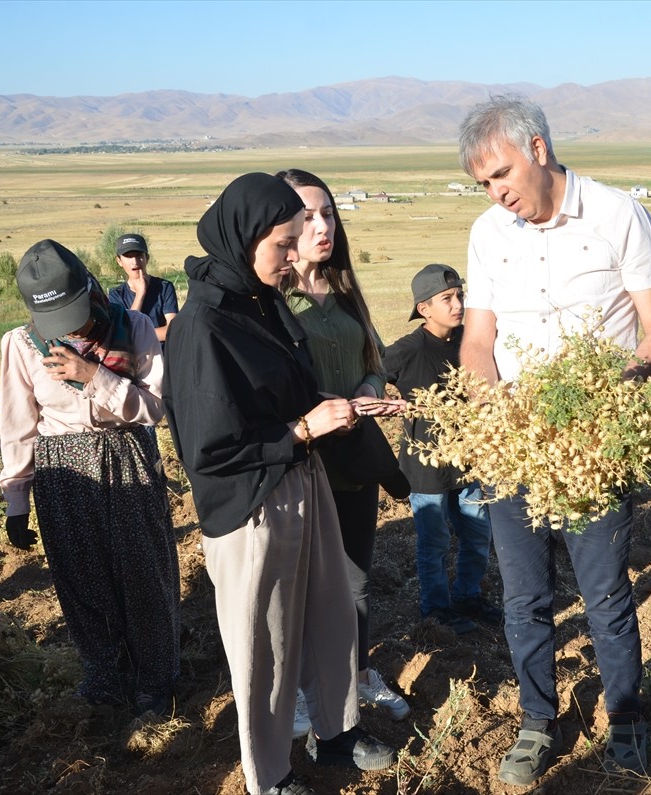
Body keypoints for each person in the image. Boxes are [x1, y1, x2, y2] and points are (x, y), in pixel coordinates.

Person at [457, 95, 651, 786]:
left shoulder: (618, 215)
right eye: (484, 184)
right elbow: (476, 339)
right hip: (514, 449)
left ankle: (626, 718)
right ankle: (536, 722)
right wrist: (491, 409)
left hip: (592, 445)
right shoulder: (488, 233)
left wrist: (613, 387)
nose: (497, 194)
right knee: (524, 598)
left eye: (501, 174)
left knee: (605, 595)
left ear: (538, 148)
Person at [162, 172, 394, 795]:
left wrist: (324, 406)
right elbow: (210, 450)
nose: (296, 256)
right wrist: (301, 428)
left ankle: (336, 734)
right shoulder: (203, 328)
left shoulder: (260, 304)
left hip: (302, 482)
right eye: (283, 245)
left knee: (330, 617)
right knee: (264, 648)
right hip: (253, 507)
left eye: (298, 241)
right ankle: (272, 775)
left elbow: (271, 395)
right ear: (243, 241)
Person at [0, 239, 180, 716]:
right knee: (83, 580)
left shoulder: (135, 326)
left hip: (127, 457)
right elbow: (18, 426)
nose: (71, 328)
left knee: (143, 573)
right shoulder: (20, 344)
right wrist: (16, 500)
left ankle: (156, 680)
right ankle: (107, 675)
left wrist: (95, 375)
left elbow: (155, 408)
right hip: (62, 471)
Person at [274, 168, 411, 727]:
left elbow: (375, 365)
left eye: (327, 212)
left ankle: (355, 675)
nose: (321, 225)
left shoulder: (345, 290)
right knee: (303, 582)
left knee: (356, 577)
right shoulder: (273, 300)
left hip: (354, 459)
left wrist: (367, 393)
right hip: (301, 462)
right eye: (307, 216)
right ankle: (307, 690)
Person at [383, 263, 498, 637]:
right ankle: (436, 609)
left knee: (477, 535)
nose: (457, 304)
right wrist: (384, 400)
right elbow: (368, 375)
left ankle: (468, 597)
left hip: (470, 462)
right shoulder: (406, 351)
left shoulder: (473, 341)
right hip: (425, 470)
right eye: (446, 298)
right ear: (423, 309)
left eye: (459, 295)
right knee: (433, 543)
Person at [107, 233, 179, 346]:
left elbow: (172, 330)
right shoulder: (116, 295)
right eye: (128, 256)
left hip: (164, 359)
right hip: (134, 361)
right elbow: (124, 331)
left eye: (138, 255)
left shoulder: (164, 287)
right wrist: (140, 294)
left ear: (147, 258)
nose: (135, 261)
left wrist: (136, 335)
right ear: (119, 261)